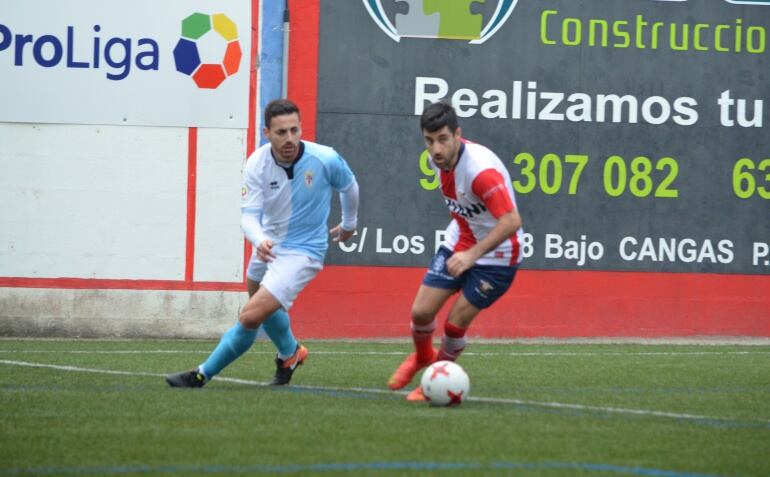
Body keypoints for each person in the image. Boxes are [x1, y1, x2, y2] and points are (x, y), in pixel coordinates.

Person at [166, 99, 359, 387]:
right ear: (267, 132)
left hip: (304, 251)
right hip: (269, 246)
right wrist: (260, 240)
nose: (290, 138)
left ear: (301, 128)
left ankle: (201, 374)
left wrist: (349, 225)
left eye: (294, 130)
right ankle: (290, 354)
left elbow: (350, 186)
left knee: (251, 315)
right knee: (266, 310)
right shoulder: (257, 163)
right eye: (281, 132)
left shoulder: (325, 159)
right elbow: (249, 217)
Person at [387, 101, 523, 401]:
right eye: (429, 141)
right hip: (461, 240)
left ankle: (435, 378)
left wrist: (472, 255)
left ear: (458, 135)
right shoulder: (440, 162)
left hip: (498, 255)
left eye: (443, 139)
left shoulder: (479, 171)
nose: (436, 148)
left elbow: (512, 221)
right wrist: (462, 248)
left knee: (454, 324)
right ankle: (422, 357)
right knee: (420, 312)